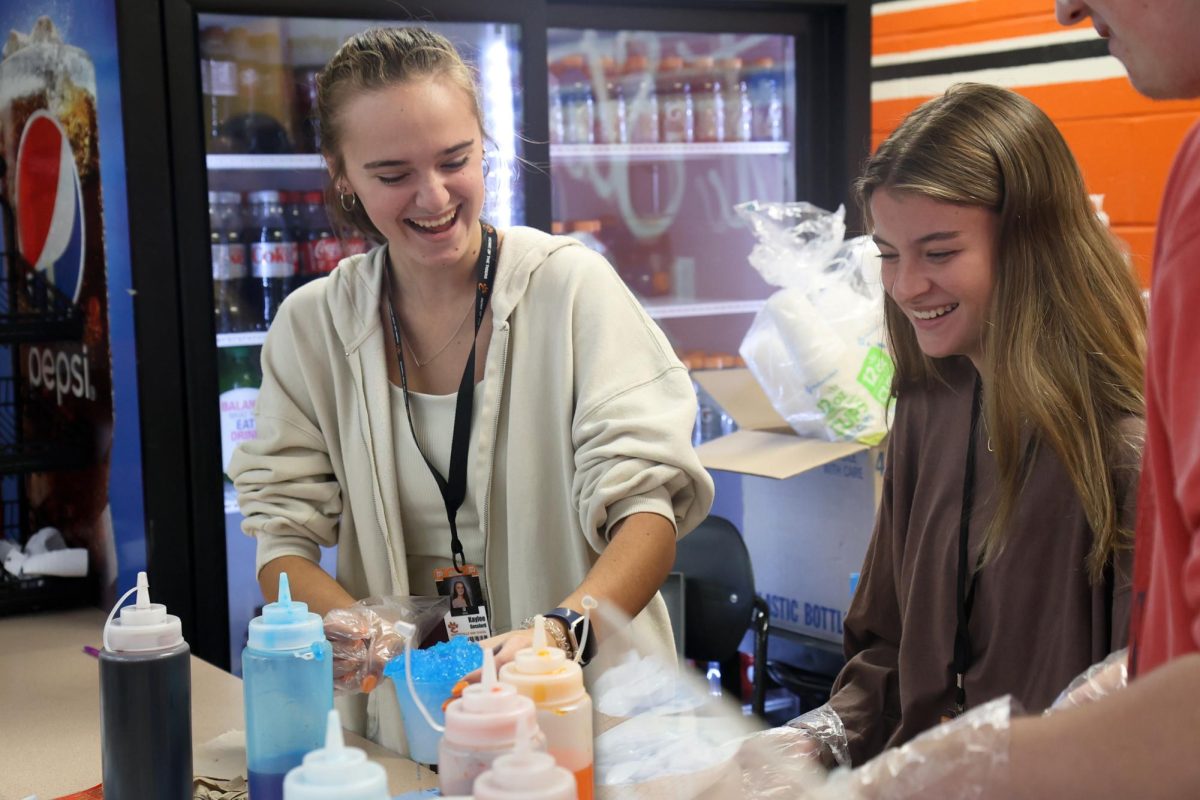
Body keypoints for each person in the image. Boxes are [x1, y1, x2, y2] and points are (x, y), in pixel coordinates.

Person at [229, 26, 713, 753]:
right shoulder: (313, 329)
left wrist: (562, 629)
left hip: (590, 715)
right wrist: (386, 650)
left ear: (483, 144)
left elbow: (648, 512)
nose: (433, 196)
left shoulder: (569, 291)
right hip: (414, 721)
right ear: (341, 174)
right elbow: (283, 544)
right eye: (392, 175)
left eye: (455, 161)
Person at [789, 82, 1147, 767]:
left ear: (1031, 246)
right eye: (889, 253)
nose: (904, 286)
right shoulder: (931, 404)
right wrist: (810, 742)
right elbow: (888, 651)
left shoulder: (1125, 447)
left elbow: (1138, 716)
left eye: (940, 253)